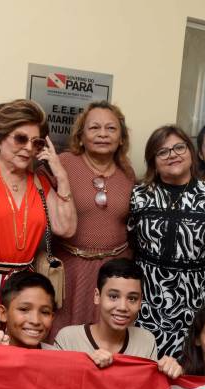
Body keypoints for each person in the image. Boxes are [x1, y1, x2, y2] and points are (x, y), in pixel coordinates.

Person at [128, 125, 205, 358]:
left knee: (184, 373)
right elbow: (130, 246)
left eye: (179, 147)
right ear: (153, 161)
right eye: (162, 152)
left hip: (193, 304)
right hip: (145, 302)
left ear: (191, 153)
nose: (172, 154)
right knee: (141, 368)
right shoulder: (139, 194)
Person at [0, 99, 76, 326]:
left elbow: (66, 228)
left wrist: (61, 174)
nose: (28, 148)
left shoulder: (40, 182)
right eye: (20, 138)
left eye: (36, 143)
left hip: (23, 289)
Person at [49, 102, 135, 339]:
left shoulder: (128, 173)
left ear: (121, 138)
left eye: (111, 128)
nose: (103, 134)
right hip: (70, 269)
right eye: (94, 128)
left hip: (113, 272)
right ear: (81, 135)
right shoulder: (63, 164)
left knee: (107, 340)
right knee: (64, 336)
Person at [53, 258, 183, 378]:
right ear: (97, 296)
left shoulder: (146, 341)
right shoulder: (68, 339)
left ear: (140, 302)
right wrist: (86, 365)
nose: (122, 307)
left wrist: (170, 371)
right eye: (113, 296)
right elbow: (56, 386)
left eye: (132, 298)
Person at [0, 270, 57, 350]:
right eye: (24, 309)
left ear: (52, 317)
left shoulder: (56, 357)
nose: (35, 321)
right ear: (3, 313)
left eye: (45, 312)